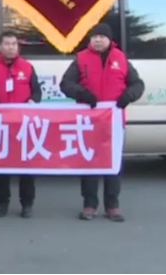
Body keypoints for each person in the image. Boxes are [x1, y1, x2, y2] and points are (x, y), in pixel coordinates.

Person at [59, 23, 145, 223]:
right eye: (94, 37)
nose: (98, 40)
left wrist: (128, 96)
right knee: (89, 163)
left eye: (102, 37)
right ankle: (89, 205)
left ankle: (112, 206)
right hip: (88, 122)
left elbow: (138, 84)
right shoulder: (81, 59)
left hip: (114, 121)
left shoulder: (121, 59)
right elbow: (66, 84)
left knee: (113, 164)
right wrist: (82, 93)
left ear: (109, 39)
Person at [0, 31, 42, 218]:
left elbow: (37, 92)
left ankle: (27, 204)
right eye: (7, 44)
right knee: (1, 167)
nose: (11, 47)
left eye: (14, 44)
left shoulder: (27, 68)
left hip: (23, 125)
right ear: (0, 46)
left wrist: (33, 101)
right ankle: (2, 203)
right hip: (1, 126)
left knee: (26, 167)